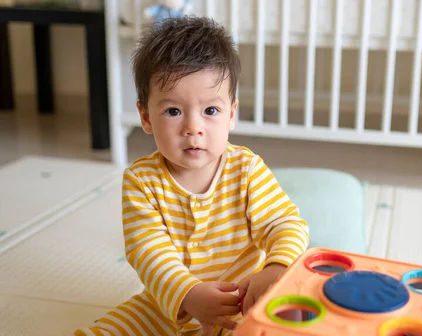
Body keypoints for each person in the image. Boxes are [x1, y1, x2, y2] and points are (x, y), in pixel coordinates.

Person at [74, 16, 309, 336]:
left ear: (231, 114)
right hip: (168, 307)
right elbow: (148, 252)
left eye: (210, 111)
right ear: (145, 116)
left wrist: (276, 268)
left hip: (240, 304)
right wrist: (188, 294)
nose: (192, 128)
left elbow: (284, 223)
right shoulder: (142, 181)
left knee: (291, 316)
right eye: (173, 111)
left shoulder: (246, 169)